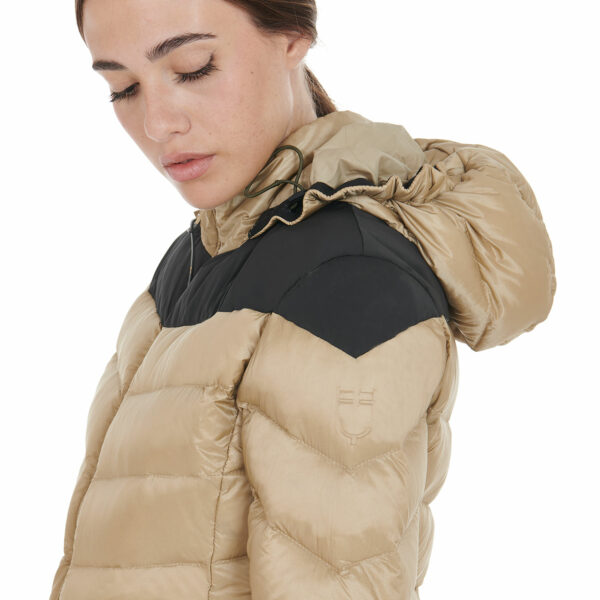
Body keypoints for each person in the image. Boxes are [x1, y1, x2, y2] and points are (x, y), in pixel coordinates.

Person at [49, 1, 557, 598]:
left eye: (193, 67)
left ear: (293, 36)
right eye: (123, 88)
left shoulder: (348, 278)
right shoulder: (201, 252)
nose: (157, 123)